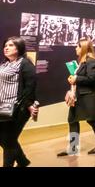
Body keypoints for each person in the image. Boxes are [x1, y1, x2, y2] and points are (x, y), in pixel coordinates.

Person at [57, 37, 95, 156]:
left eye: (78, 46)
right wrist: (73, 79)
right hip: (79, 97)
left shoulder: (91, 61)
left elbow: (91, 78)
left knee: (93, 120)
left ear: (84, 48)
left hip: (89, 97)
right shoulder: (82, 61)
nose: (76, 48)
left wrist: (76, 78)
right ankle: (73, 148)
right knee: (72, 119)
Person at [0, 36, 38, 167]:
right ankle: (22, 161)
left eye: (10, 45)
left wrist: (28, 105)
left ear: (19, 48)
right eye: (5, 45)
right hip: (3, 106)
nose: (6, 47)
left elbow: (30, 87)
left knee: (9, 141)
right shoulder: (5, 64)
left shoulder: (25, 64)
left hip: (17, 108)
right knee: (5, 139)